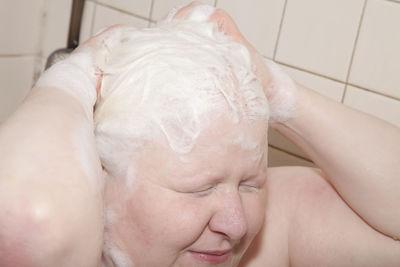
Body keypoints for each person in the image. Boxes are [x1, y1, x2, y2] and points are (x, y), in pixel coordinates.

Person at [0, 2, 399, 267]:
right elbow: (27, 221)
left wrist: (279, 93)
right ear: (99, 174)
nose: (237, 223)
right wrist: (72, 79)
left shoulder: (268, 238)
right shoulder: (67, 252)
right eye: (199, 189)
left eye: (249, 183)